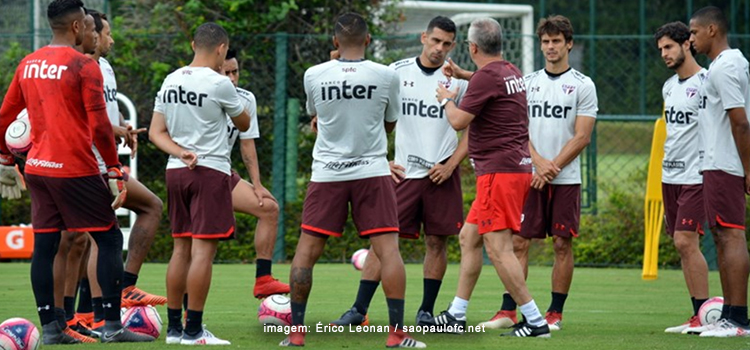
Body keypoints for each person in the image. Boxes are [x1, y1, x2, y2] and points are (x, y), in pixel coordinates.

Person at [0, 0, 152, 344]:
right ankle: (111, 325)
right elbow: (99, 125)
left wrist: (5, 160)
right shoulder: (83, 65)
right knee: (109, 237)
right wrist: (114, 167)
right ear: (75, 28)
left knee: (46, 246)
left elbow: (5, 115)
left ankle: (53, 328)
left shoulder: (28, 63)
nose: (89, 29)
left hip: (38, 168)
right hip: (75, 168)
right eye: (86, 24)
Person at [280, 12, 425, 348]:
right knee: (389, 251)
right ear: (369, 41)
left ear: (334, 42)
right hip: (371, 172)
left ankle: (296, 334)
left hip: (327, 173)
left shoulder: (314, 74)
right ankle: (397, 335)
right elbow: (390, 123)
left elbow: (317, 117)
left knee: (306, 252)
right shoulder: (386, 75)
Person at [328, 15, 468, 328]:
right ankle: (358, 310)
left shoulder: (458, 79)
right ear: (423, 37)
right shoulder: (395, 72)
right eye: (435, 41)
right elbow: (372, 117)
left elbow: (473, 128)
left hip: (442, 173)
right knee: (383, 242)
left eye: (446, 44)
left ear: (453, 45)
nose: (439, 48)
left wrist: (451, 164)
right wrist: (381, 160)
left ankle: (425, 312)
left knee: (437, 243)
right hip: (403, 173)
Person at [479, 15, 598, 332]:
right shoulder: (527, 82)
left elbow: (582, 136)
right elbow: (517, 129)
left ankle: (554, 313)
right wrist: (537, 164)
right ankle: (509, 311)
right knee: (518, 243)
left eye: (557, 41)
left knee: (562, 244)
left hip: (564, 177)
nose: (550, 47)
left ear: (569, 44)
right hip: (527, 176)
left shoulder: (584, 85)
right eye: (545, 41)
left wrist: (550, 167)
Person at [434, 17, 551, 338]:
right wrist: (462, 74)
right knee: (469, 238)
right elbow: (488, 82)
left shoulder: (487, 77)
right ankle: (456, 314)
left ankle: (535, 320)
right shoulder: (509, 70)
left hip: (499, 173)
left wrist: (445, 96)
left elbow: (458, 121)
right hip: (513, 170)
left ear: (472, 47)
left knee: (500, 249)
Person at [149, 22, 251, 345]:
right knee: (202, 252)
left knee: (180, 249)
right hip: (210, 171)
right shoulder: (221, 84)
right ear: (222, 49)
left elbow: (155, 133)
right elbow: (244, 121)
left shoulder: (170, 79)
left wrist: (181, 152)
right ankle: (194, 330)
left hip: (175, 170)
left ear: (193, 44)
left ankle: (175, 329)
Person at [77, 10, 166, 337]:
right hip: (89, 164)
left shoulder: (105, 67)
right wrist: (114, 131)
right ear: (92, 34)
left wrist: (120, 130)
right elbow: (85, 121)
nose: (112, 39)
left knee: (100, 236)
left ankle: (91, 311)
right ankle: (104, 313)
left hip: (107, 163)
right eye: (107, 33)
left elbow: (102, 115)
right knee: (100, 236)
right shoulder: (80, 69)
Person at [688, 6, 750, 337]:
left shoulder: (725, 67)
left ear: (712, 30)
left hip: (726, 163)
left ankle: (739, 319)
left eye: (694, 32)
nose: (691, 38)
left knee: (731, 234)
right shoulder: (721, 66)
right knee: (720, 235)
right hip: (715, 164)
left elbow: (740, 121)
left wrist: (748, 168)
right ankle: (729, 315)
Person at [652, 21, 710, 334]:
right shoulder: (669, 86)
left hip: (696, 175)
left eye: (669, 47)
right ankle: (698, 315)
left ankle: (706, 315)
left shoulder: (707, 82)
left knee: (685, 240)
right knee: (682, 245)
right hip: (669, 175)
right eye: (661, 49)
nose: (664, 54)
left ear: (687, 43)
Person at [223, 49, 290, 298]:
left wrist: (257, 184)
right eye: (225, 72)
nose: (231, 78)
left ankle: (263, 279)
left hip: (224, 174)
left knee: (269, 207)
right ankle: (184, 318)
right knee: (194, 245)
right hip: (196, 173)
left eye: (235, 72)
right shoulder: (201, 92)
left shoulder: (245, 99)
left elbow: (247, 143)